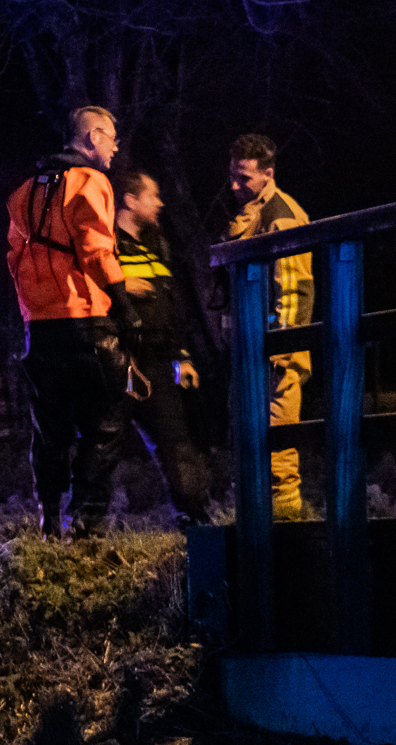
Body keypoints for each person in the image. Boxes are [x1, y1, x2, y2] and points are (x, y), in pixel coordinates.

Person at [5, 106, 145, 538]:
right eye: (111, 138)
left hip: (40, 331)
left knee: (50, 432)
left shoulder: (24, 192)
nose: (116, 146)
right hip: (87, 324)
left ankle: (49, 519)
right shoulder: (90, 182)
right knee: (105, 425)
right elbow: (96, 249)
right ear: (91, 138)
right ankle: (86, 522)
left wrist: (32, 306)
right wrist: (124, 307)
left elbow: (14, 257)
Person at [224, 133, 314, 522]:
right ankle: (259, 520)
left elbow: (294, 290)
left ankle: (286, 524)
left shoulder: (281, 215)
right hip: (253, 348)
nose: (234, 186)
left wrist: (282, 348)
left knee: (277, 444)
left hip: (274, 352)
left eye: (243, 177)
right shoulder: (254, 212)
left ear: (268, 175)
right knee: (252, 439)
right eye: (233, 175)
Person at [114, 170, 212, 527]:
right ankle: (81, 527)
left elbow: (173, 309)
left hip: (156, 363)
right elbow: (82, 295)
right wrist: (119, 286)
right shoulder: (104, 247)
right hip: (117, 361)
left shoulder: (156, 245)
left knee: (176, 443)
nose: (160, 203)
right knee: (101, 447)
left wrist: (182, 356)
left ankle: (195, 520)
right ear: (130, 200)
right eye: (152, 196)